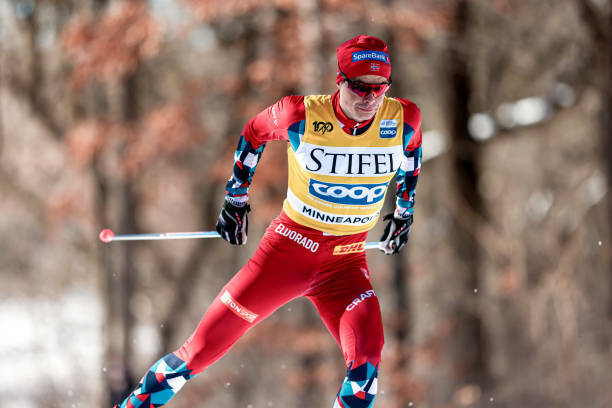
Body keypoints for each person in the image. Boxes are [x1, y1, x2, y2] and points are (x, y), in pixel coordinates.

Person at [113, 35, 422, 408]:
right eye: (360, 87)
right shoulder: (300, 115)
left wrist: (404, 212)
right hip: (287, 255)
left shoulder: (403, 118)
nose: (370, 98)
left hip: (346, 263)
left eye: (380, 88)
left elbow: (412, 153)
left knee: (367, 364)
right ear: (340, 80)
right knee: (197, 353)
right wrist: (236, 198)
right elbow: (253, 133)